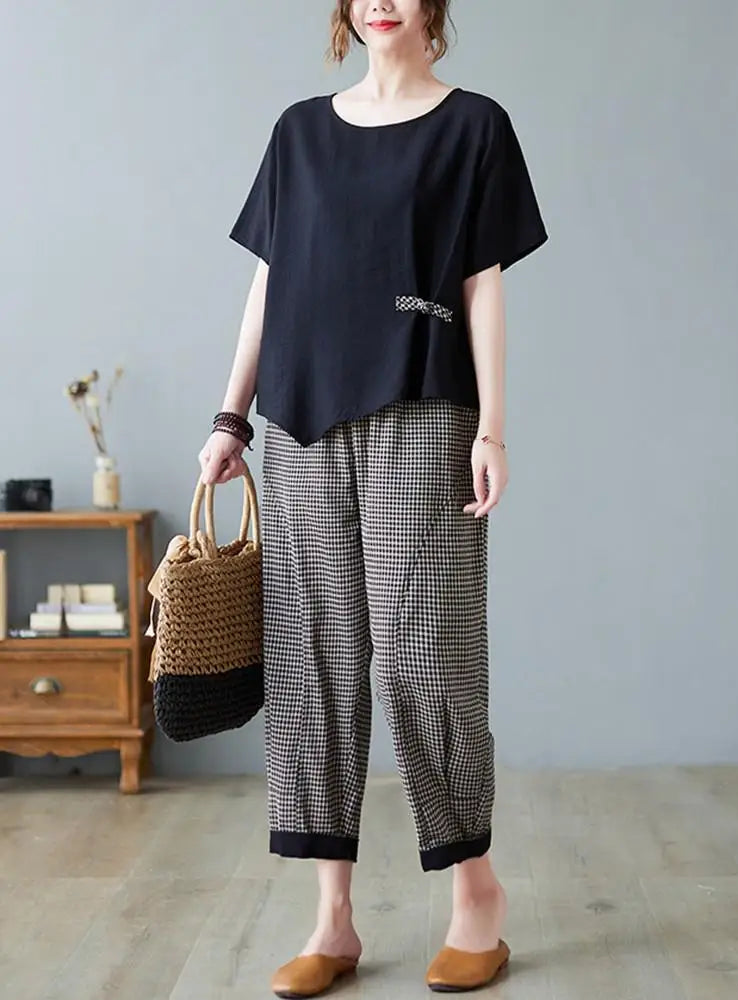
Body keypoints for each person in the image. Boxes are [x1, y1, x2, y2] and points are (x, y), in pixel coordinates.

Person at [199, 1, 548, 995]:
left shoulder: (473, 125)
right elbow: (270, 281)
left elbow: (482, 283)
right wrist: (230, 418)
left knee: (424, 656)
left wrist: (491, 426)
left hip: (422, 407)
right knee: (312, 665)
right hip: (298, 419)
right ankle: (334, 920)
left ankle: (476, 894)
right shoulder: (299, 132)